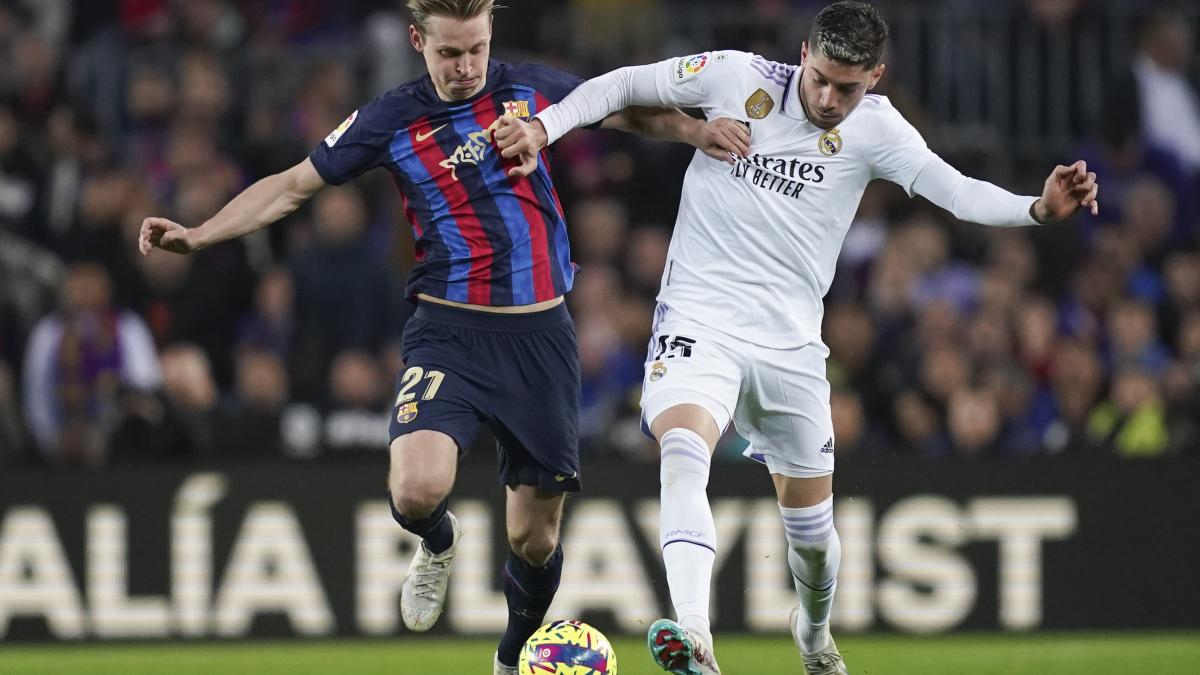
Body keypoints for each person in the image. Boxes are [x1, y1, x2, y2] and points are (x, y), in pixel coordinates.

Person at [495, 2, 1099, 673]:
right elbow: (617, 87)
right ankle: (695, 635)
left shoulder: (877, 129)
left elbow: (954, 192)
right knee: (684, 448)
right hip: (701, 316)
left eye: (848, 86)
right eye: (820, 78)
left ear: (876, 75)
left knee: (813, 539)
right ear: (805, 53)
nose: (829, 97)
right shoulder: (734, 77)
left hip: (791, 348)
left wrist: (1038, 208)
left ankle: (813, 635)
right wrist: (545, 129)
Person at [138, 1, 741, 672]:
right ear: (418, 41)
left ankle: (510, 658)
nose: (464, 66)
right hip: (448, 328)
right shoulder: (391, 118)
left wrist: (692, 130)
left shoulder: (528, 88)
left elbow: (621, 109)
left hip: (541, 336)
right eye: (449, 53)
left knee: (534, 540)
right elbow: (292, 186)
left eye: (475, 49)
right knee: (416, 487)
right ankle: (437, 538)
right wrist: (198, 233)